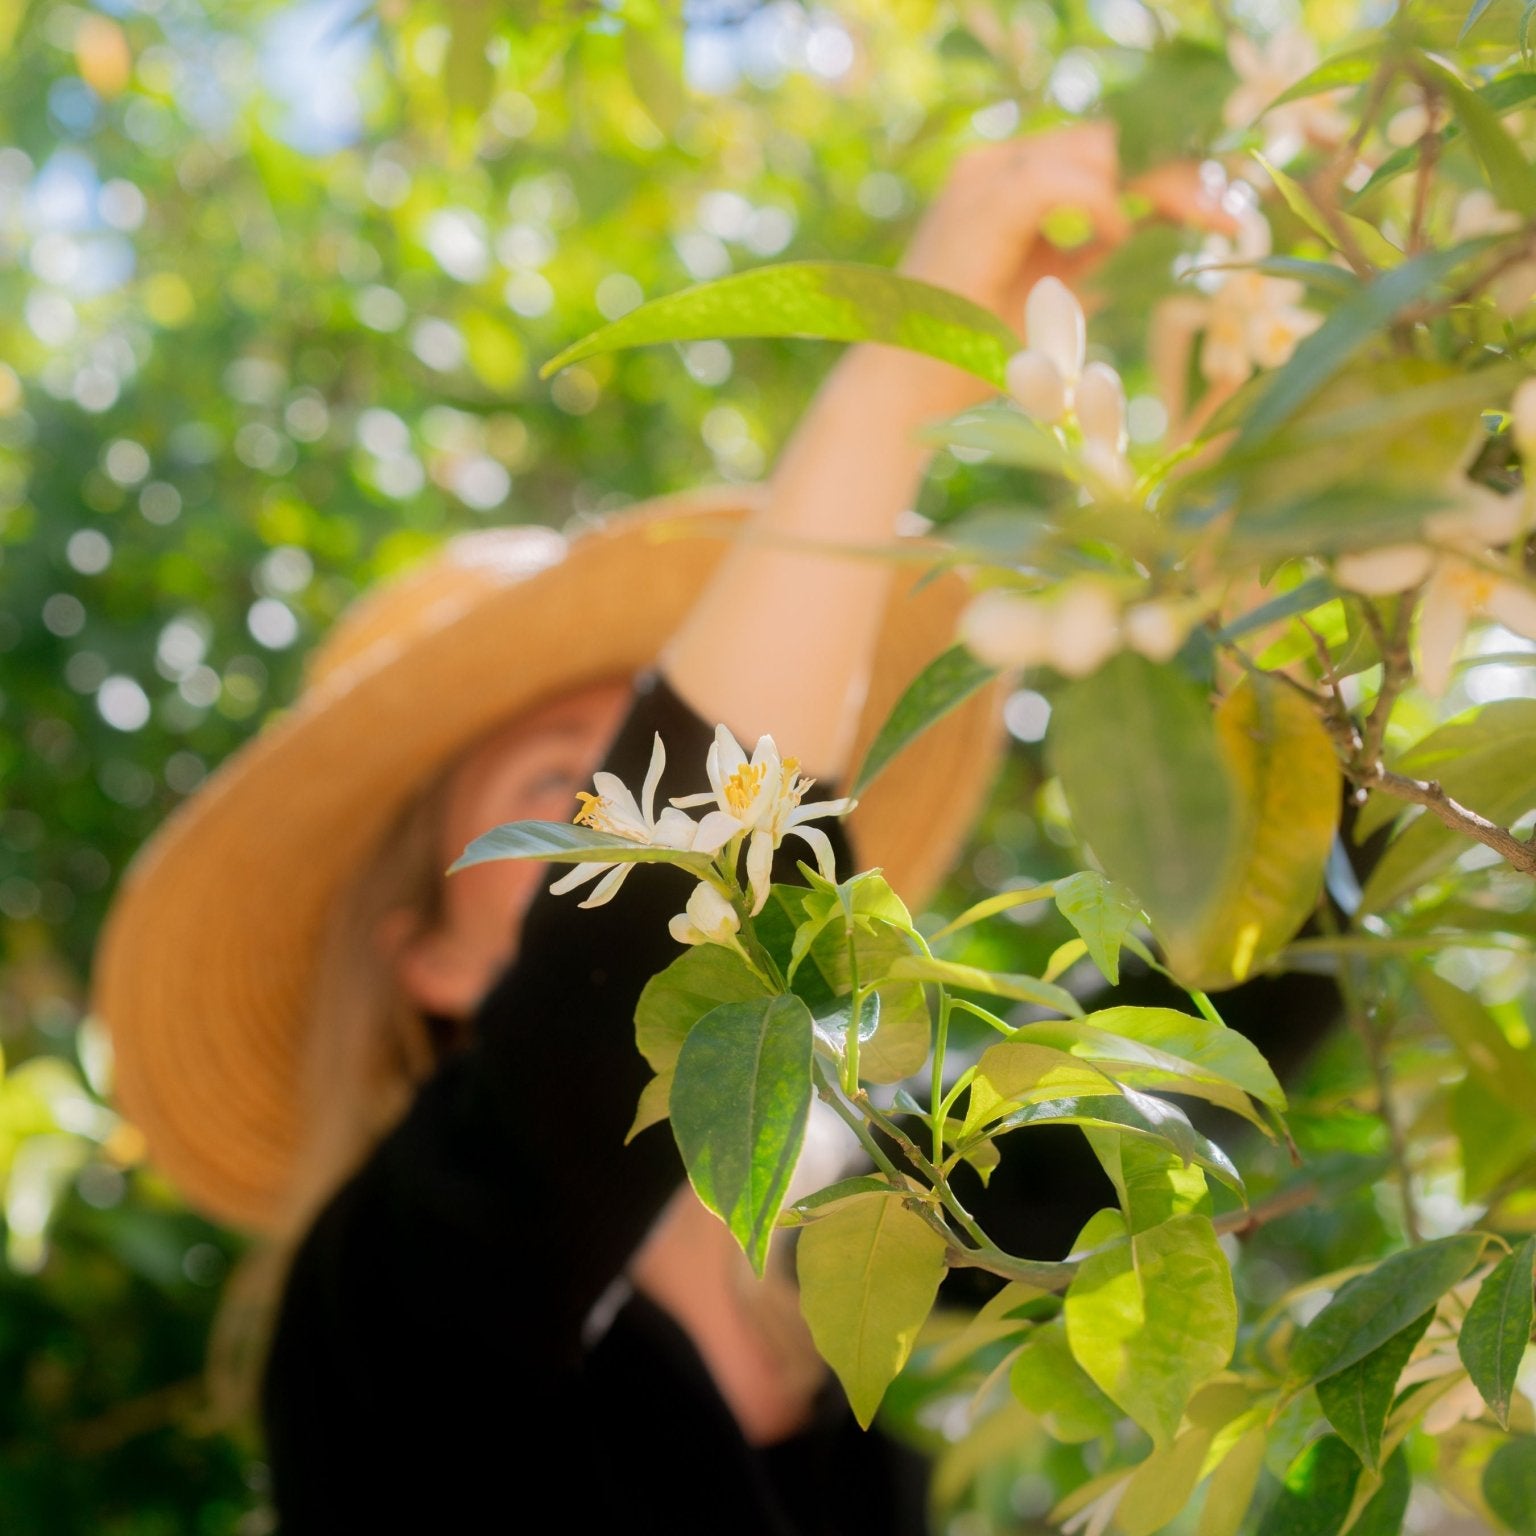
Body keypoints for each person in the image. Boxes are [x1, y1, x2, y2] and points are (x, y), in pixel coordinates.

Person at [93, 125, 1228, 1533]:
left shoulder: (876, 1251)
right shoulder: (383, 1309)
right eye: (555, 800)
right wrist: (907, 358)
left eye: (633, 756)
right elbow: (650, 916)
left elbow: (1199, 1030)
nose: (622, 822)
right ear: (431, 963)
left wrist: (1258, 512)